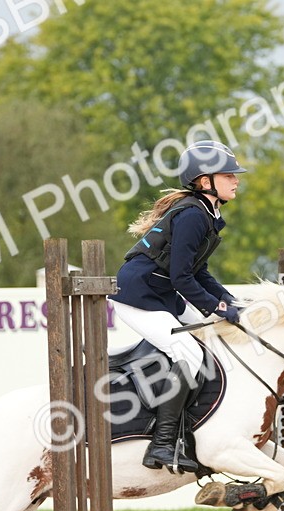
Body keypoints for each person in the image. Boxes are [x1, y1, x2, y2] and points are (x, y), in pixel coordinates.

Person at [110, 140, 247, 474]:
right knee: (189, 354)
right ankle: (163, 442)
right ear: (204, 181)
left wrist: (232, 303)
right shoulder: (192, 215)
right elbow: (182, 276)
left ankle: (192, 430)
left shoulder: (207, 213)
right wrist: (216, 307)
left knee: (210, 341)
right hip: (139, 295)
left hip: (162, 294)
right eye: (228, 174)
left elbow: (199, 272)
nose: (236, 179)